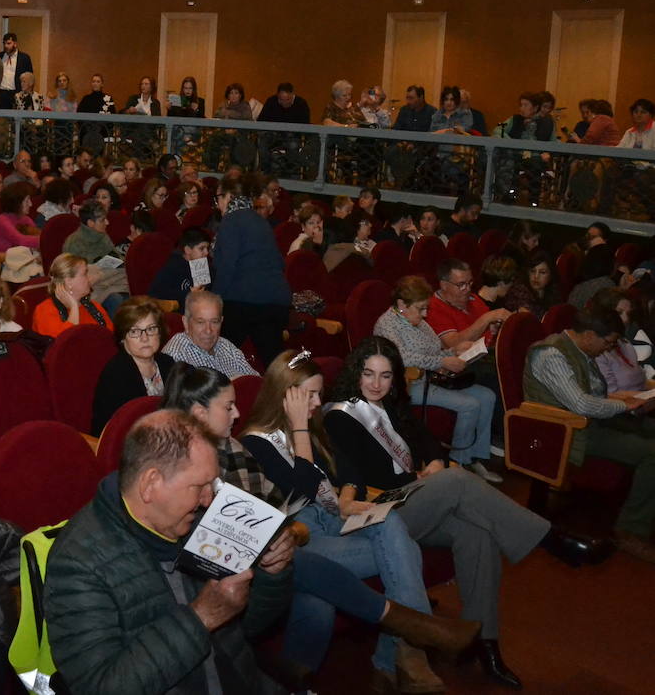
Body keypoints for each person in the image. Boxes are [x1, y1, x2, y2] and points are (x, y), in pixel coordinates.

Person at [324, 337, 592, 688]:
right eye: (369, 374)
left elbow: (425, 438)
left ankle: (485, 643)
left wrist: (434, 459)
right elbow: (355, 480)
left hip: (408, 500)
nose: (376, 384)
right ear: (355, 373)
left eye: (385, 376)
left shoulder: (391, 405)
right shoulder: (341, 417)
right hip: (375, 513)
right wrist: (421, 477)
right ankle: (550, 538)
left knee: (475, 533)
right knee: (457, 481)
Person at [232, 354, 482, 690]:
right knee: (402, 549)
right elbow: (302, 485)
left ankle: (405, 651)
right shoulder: (255, 442)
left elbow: (349, 470)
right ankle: (406, 652)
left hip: (331, 515)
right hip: (302, 535)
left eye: (320, 394)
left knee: (392, 526)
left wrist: (347, 496)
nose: (319, 402)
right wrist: (301, 429)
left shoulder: (312, 427)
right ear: (286, 396)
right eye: (310, 395)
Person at [43, 409, 295, 695]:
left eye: (211, 484)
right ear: (151, 484)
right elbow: (100, 687)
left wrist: (272, 574)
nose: (208, 499)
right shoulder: (78, 563)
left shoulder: (200, 521)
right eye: (198, 486)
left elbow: (249, 627)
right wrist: (201, 618)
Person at [524, 307, 655, 561]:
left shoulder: (580, 350)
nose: (608, 349)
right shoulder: (551, 354)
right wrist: (624, 405)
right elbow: (581, 404)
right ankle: (630, 530)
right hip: (568, 430)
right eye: (607, 343)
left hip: (593, 420)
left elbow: (592, 395)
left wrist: (628, 400)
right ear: (590, 335)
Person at [374, 276, 501, 482]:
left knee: (487, 396)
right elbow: (401, 357)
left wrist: (454, 351)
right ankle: (458, 464)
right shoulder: (387, 324)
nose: (425, 314)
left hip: (432, 378)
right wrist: (442, 361)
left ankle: (474, 457)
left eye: (426, 308)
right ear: (401, 305)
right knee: (469, 404)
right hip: (407, 383)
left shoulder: (419, 322)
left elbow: (436, 350)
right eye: (421, 309)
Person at [210, 176, 290, 367]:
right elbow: (279, 262)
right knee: (274, 366)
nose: (217, 204)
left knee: (219, 359)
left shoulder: (231, 220)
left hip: (245, 301)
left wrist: (212, 301)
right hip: (275, 300)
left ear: (229, 196)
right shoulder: (260, 220)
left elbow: (226, 266)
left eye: (218, 198)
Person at [90, 297, 174, 434]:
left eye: (151, 329)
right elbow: (122, 431)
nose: (145, 338)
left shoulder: (167, 363)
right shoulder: (116, 375)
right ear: (123, 338)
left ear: (160, 332)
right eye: (134, 332)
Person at [160, 288, 257, 380]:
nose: (208, 330)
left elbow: (257, 382)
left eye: (214, 322)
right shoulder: (176, 356)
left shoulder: (225, 345)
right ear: (186, 323)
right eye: (200, 322)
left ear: (221, 321)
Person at [32, 253, 112, 337]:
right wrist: (74, 307)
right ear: (69, 281)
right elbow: (64, 344)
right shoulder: (45, 311)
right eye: (85, 273)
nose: (90, 278)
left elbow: (110, 338)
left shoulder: (94, 307)